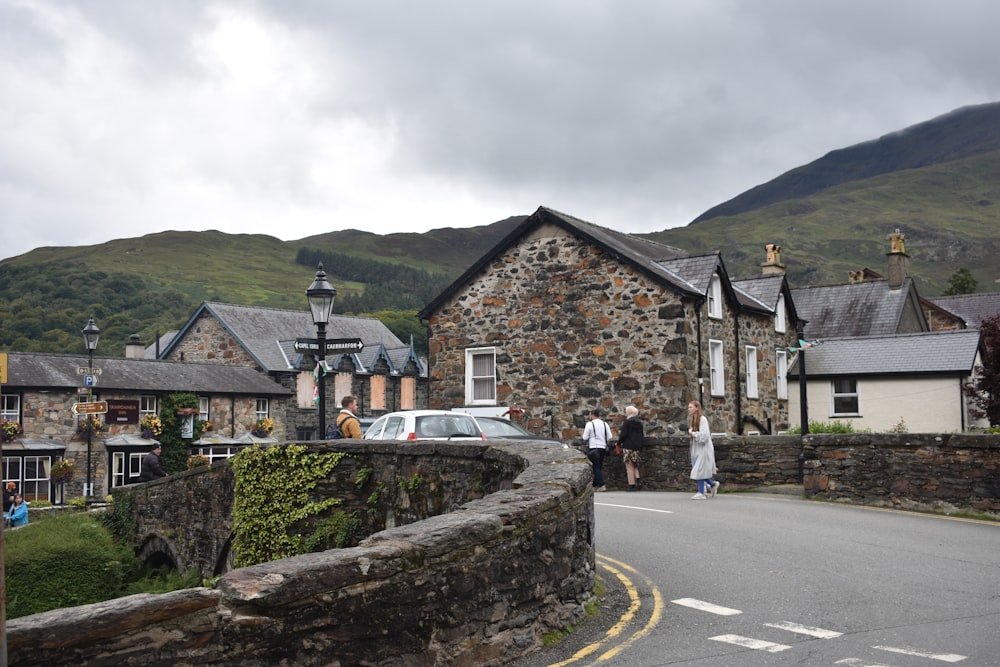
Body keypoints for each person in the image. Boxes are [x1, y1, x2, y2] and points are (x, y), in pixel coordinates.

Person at [688, 401, 719, 499]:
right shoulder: (694, 419)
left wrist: (692, 433)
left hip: (703, 449)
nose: (689, 409)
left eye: (691, 407)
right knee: (698, 469)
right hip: (697, 449)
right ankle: (712, 484)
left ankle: (701, 492)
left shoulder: (703, 419)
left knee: (699, 469)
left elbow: (705, 436)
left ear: (697, 408)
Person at [582, 409, 612, 492]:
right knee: (598, 466)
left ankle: (602, 484)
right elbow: (609, 437)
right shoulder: (605, 424)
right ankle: (595, 485)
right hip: (603, 447)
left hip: (593, 447)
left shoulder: (590, 424)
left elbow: (585, 437)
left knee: (595, 466)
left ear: (592, 415)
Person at [616, 405, 644, 492]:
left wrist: (618, 442)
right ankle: (638, 479)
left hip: (628, 446)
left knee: (629, 465)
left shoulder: (627, 422)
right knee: (635, 464)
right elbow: (641, 435)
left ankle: (631, 484)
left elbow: (623, 435)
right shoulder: (639, 423)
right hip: (637, 446)